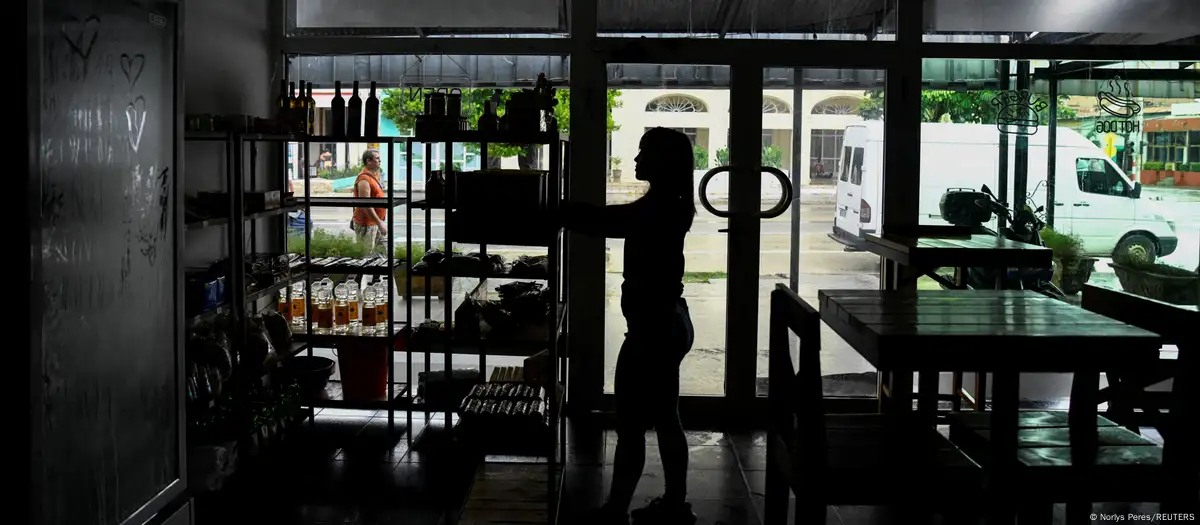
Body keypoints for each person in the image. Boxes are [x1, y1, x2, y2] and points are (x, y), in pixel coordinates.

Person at [559, 128, 697, 525]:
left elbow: (607, 220)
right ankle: (673, 504)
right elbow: (614, 218)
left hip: (652, 330)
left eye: (643, 153)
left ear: (664, 161)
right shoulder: (670, 201)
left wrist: (559, 209)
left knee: (631, 426)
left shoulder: (660, 208)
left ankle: (616, 511)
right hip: (667, 321)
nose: (635, 161)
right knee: (665, 418)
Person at [352, 149, 387, 255]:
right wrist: (379, 222)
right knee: (365, 255)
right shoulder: (364, 179)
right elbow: (365, 204)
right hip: (366, 224)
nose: (380, 161)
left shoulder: (374, 176)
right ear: (369, 161)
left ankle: (381, 271)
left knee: (384, 252)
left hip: (375, 223)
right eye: (377, 158)